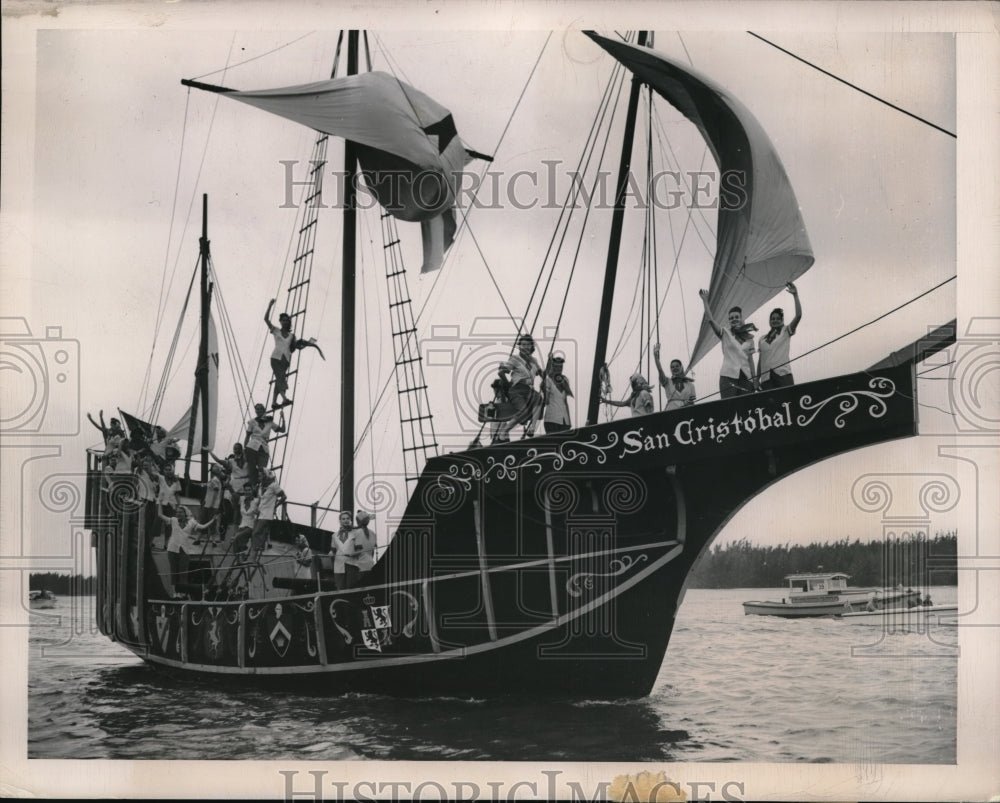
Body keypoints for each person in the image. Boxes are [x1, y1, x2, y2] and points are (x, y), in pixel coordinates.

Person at [264, 298, 325, 410]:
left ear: (289, 322)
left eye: (287, 320)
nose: (285, 321)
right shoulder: (276, 330)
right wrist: (270, 305)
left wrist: (308, 344)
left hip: (286, 360)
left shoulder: (292, 336)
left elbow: (295, 347)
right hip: (276, 358)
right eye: (283, 320)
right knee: (280, 377)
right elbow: (266, 319)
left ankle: (274, 402)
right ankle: (284, 399)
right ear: (280, 321)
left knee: (279, 378)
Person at [698, 289, 758, 398]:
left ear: (741, 318)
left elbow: (751, 361)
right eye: (731, 318)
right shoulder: (725, 333)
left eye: (736, 317)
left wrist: (755, 379)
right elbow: (710, 320)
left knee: (746, 409)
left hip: (746, 377)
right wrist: (705, 301)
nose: (734, 319)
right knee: (729, 409)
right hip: (728, 377)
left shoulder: (750, 339)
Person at [494, 334, 544, 443]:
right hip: (517, 389)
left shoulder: (534, 360)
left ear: (531, 347)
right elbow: (501, 372)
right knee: (524, 411)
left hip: (529, 389)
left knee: (539, 399)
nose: (525, 347)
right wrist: (508, 385)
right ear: (519, 346)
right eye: (523, 345)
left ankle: (532, 427)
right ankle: (504, 431)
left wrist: (545, 372)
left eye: (528, 345)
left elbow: (541, 373)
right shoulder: (515, 359)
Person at [157, 504, 216, 595]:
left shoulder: (191, 522)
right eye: (177, 512)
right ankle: (174, 593)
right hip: (172, 549)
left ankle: (182, 593)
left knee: (183, 573)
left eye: (180, 512)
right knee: (174, 572)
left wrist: (213, 520)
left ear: (185, 513)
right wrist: (159, 502)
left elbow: (203, 527)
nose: (178, 514)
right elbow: (160, 515)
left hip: (184, 550)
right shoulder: (173, 520)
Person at [757, 282, 803, 391]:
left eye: (778, 318)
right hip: (766, 379)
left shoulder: (786, 331)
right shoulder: (762, 339)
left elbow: (798, 315)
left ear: (782, 320)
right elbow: (760, 360)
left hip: (783, 375)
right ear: (769, 321)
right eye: (772, 318)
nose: (775, 320)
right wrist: (756, 379)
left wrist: (795, 295)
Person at [244, 404, 285, 487]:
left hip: (263, 448)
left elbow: (282, 430)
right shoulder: (252, 422)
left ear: (264, 410)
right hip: (252, 447)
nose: (258, 411)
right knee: (251, 470)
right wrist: (244, 448)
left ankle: (261, 488)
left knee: (262, 471)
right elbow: (247, 436)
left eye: (260, 409)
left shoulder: (269, 423)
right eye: (257, 409)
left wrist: (283, 418)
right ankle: (252, 489)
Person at [249, 470, 285, 562]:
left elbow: (284, 497)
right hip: (260, 513)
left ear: (265, 476)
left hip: (267, 515)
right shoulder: (261, 487)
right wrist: (256, 508)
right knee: (255, 534)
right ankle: (254, 556)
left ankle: (253, 558)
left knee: (256, 533)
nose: (259, 478)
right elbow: (260, 499)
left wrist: (275, 506)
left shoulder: (273, 485)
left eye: (260, 476)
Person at [653, 344, 697, 411]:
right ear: (670, 369)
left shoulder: (690, 385)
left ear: (681, 367)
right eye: (672, 367)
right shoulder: (667, 382)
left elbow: (692, 402)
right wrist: (656, 357)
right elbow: (660, 370)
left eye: (677, 366)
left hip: (686, 411)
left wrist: (688, 403)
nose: (675, 368)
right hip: (671, 410)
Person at [344, 510, 377, 589]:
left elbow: (358, 551)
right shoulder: (373, 533)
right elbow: (372, 552)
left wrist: (348, 554)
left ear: (357, 521)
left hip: (358, 569)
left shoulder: (357, 533)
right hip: (370, 565)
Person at [542, 355, 573, 434]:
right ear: (552, 367)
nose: (558, 369)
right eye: (556, 367)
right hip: (552, 419)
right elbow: (546, 401)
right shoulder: (548, 381)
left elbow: (565, 401)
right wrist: (544, 388)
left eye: (560, 367)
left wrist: (569, 420)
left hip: (564, 420)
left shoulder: (565, 380)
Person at [232, 486, 260, 560]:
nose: (247, 492)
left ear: (252, 490)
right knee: (234, 541)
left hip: (251, 526)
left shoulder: (256, 501)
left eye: (249, 490)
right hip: (242, 526)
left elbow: (264, 508)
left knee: (237, 537)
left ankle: (243, 554)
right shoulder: (241, 499)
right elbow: (233, 494)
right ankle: (238, 559)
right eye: (246, 490)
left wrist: (258, 512)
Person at [330, 511, 355, 591]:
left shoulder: (355, 533)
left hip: (352, 564)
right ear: (340, 521)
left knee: (351, 588)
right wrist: (331, 553)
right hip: (339, 564)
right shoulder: (334, 535)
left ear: (350, 520)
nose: (346, 520)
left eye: (348, 518)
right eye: (343, 519)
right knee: (340, 589)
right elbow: (333, 550)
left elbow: (361, 549)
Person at [202, 464, 225, 545]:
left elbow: (215, 491)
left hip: (211, 505)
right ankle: (211, 539)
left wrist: (212, 503)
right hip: (210, 503)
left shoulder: (214, 480)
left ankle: (213, 540)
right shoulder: (216, 480)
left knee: (208, 521)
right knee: (208, 521)